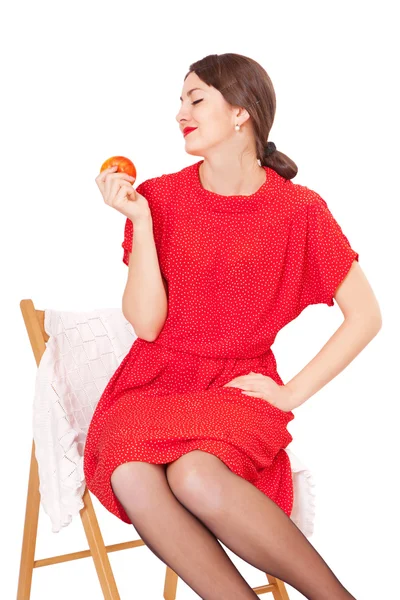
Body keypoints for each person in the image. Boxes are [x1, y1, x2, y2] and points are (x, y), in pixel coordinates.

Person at [83, 53, 381, 599]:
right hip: (155, 384)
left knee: (194, 474)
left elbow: (366, 316)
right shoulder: (159, 197)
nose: (180, 113)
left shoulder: (300, 211)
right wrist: (142, 223)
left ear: (242, 112)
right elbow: (146, 326)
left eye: (196, 99)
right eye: (180, 101)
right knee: (128, 467)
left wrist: (290, 394)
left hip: (239, 388)